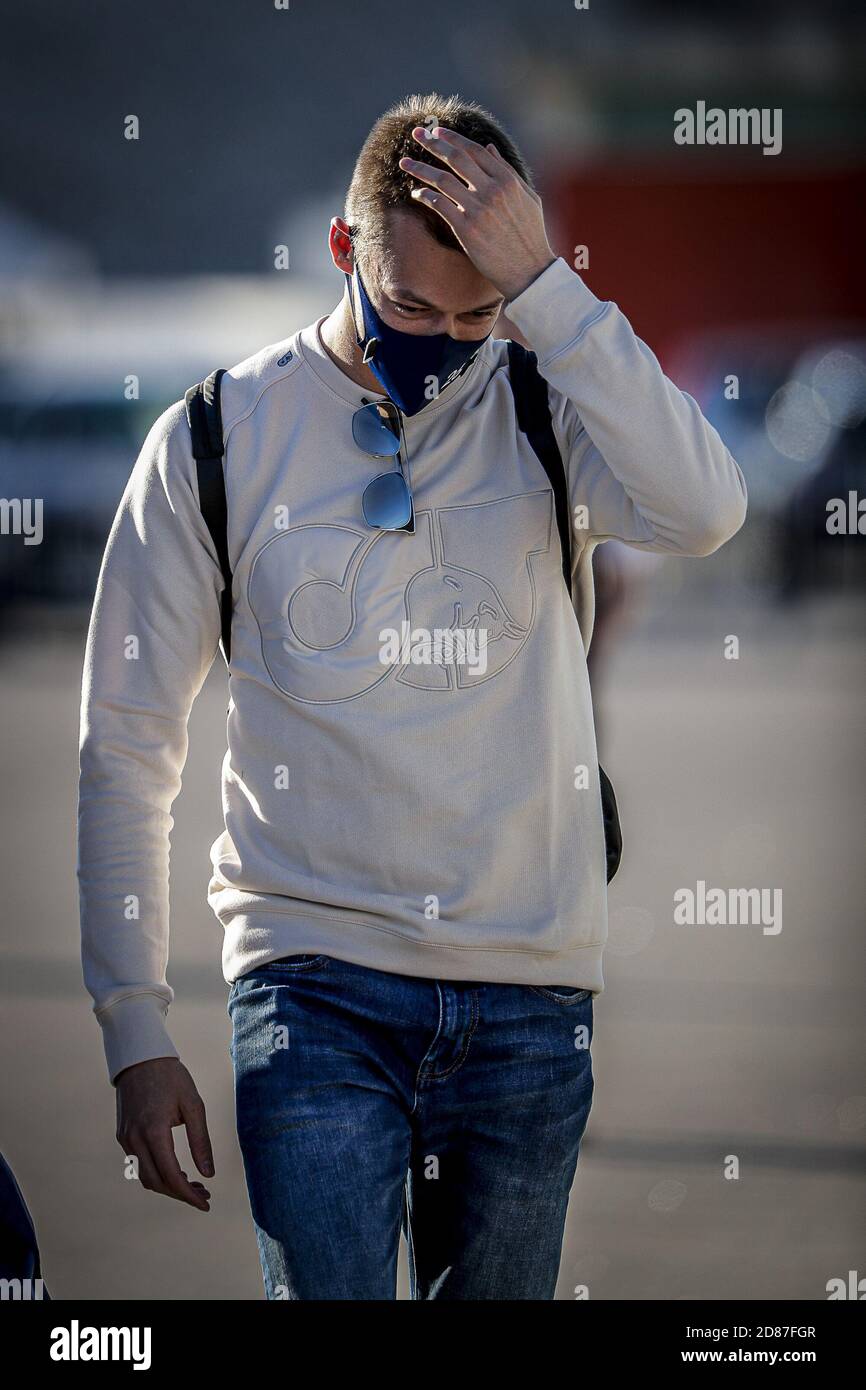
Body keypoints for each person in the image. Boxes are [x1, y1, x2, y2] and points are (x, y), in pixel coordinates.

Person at [77, 93, 747, 1300]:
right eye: (406, 306)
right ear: (342, 249)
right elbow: (127, 744)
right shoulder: (214, 441)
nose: (443, 337)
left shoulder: (547, 402)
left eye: (476, 310)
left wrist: (545, 292)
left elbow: (706, 510)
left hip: (528, 990)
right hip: (310, 979)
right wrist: (134, 1026)